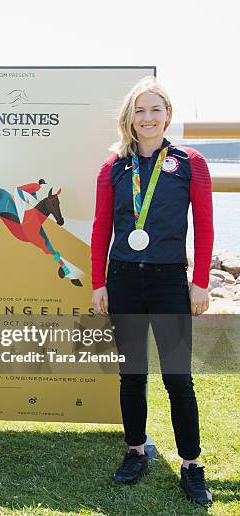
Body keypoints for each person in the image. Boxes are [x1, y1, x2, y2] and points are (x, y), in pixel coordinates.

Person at [90, 76, 213, 505]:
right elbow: (101, 227)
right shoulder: (114, 167)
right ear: (129, 118)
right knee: (132, 375)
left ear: (168, 115)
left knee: (179, 378)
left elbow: (205, 227)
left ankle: (191, 465)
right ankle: (136, 450)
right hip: (123, 278)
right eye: (139, 110)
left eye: (155, 109)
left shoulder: (190, 161)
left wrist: (199, 283)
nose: (148, 118)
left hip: (167, 282)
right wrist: (99, 282)